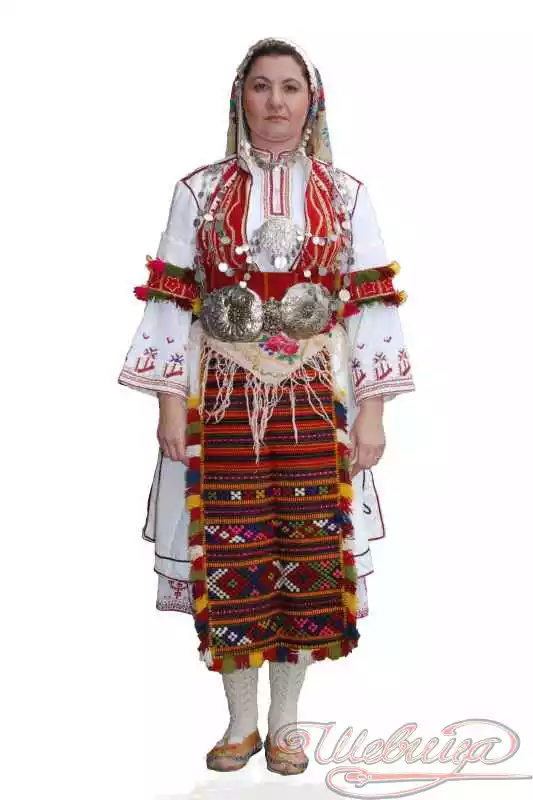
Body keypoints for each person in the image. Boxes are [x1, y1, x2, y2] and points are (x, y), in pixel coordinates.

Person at [118, 37, 415, 775]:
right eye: (260, 86)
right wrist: (167, 404)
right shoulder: (198, 191)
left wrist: (372, 412)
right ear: (239, 98)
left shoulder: (346, 195)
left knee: (307, 547)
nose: (275, 101)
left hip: (314, 395)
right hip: (220, 396)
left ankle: (286, 723)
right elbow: (171, 295)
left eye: (289, 87)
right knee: (233, 546)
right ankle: (241, 722)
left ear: (312, 102)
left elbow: (371, 300)